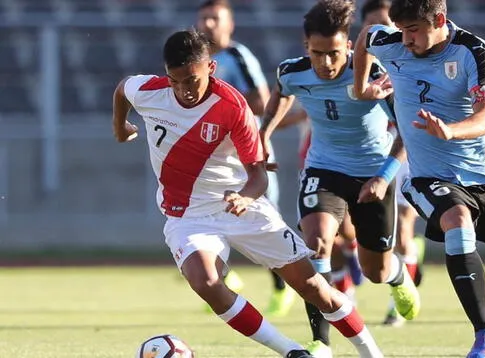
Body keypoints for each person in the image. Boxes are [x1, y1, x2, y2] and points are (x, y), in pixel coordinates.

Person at [112, 29, 384, 358]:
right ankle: (293, 352)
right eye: (176, 80)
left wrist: (245, 197)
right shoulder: (149, 91)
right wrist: (121, 127)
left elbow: (258, 175)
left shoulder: (231, 105)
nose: (184, 90)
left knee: (313, 288)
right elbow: (122, 90)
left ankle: (371, 353)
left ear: (210, 68)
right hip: (188, 216)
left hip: (242, 207)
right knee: (205, 282)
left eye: (192, 80)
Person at [353, 0, 485, 356]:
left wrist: (451, 131)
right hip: (429, 175)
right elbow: (366, 37)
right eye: (401, 30)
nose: (406, 39)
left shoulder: (473, 51)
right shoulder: (391, 41)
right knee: (456, 222)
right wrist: (361, 86)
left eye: (414, 30)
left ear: (439, 19)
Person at [261, 1, 420, 356]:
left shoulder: (374, 74)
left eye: (334, 53)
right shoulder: (291, 72)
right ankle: (321, 341)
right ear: (306, 48)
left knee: (375, 270)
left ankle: (397, 276)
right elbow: (280, 97)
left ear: (349, 45)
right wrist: (264, 134)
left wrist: (383, 177)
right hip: (324, 170)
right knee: (315, 245)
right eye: (318, 54)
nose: (326, 63)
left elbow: (407, 133)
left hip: (373, 174)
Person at [196, 0, 295, 317]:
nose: (209, 24)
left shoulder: (238, 56)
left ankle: (282, 287)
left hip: (247, 149)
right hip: (212, 153)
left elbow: (263, 102)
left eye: (215, 18)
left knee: (266, 217)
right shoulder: (196, 60)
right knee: (204, 214)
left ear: (229, 24)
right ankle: (222, 277)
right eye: (205, 18)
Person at [359, 0, 427, 328]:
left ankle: (396, 302)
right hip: (371, 156)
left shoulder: (407, 60)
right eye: (375, 27)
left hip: (405, 150)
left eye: (390, 27)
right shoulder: (352, 68)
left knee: (404, 227)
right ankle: (410, 262)